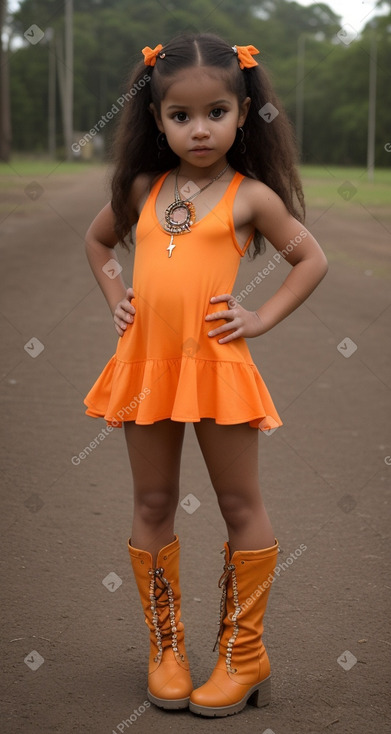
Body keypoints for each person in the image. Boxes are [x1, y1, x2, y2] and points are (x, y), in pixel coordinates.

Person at [84, 33, 328, 718]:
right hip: (146, 368)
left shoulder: (251, 197)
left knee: (239, 505)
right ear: (156, 119)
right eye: (181, 116)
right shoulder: (140, 188)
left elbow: (309, 260)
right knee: (153, 503)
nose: (199, 129)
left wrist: (259, 318)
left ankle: (243, 656)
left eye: (216, 112)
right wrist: (117, 299)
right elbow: (98, 241)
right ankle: (166, 650)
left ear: (243, 113)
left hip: (217, 367)